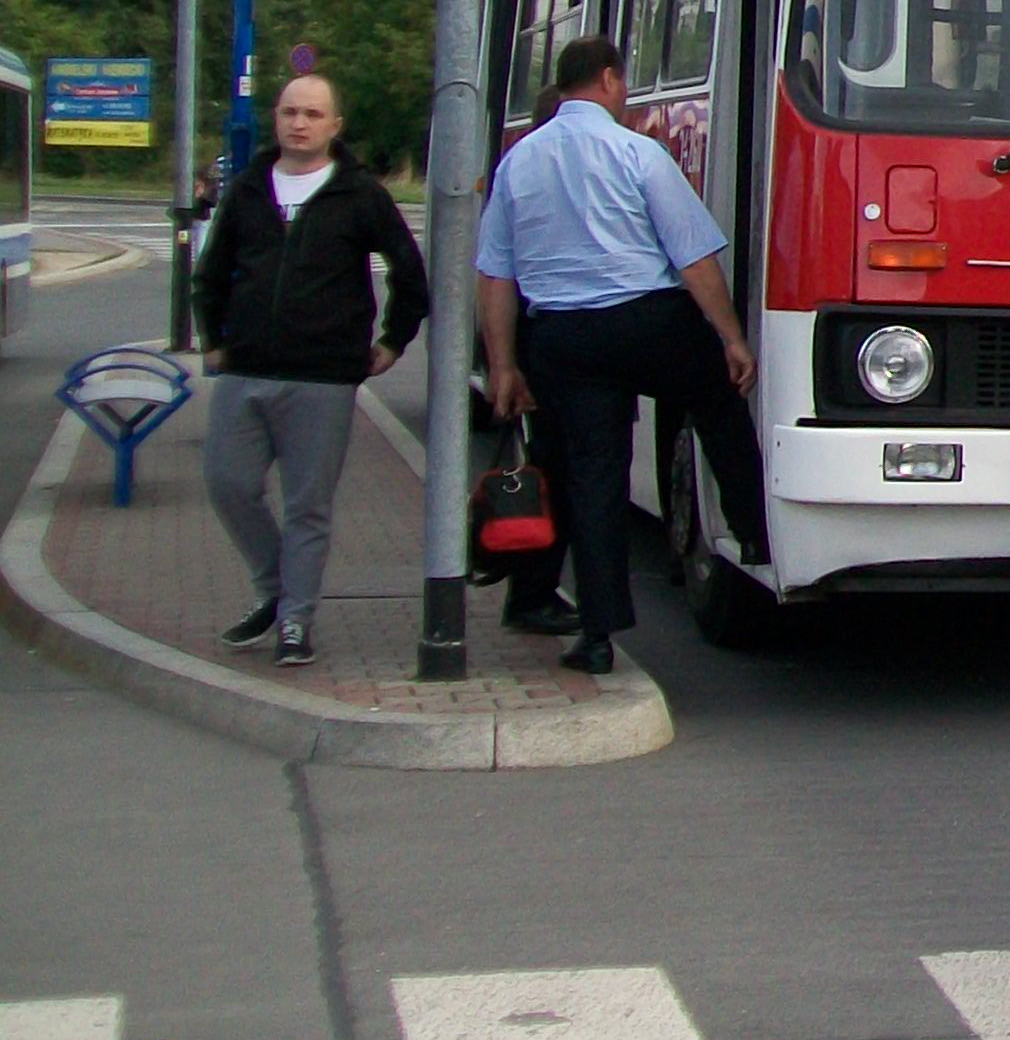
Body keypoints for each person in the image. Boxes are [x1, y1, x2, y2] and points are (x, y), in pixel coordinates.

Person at [478, 35, 770, 673]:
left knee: (593, 478)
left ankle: (598, 636)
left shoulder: (518, 164)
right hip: (649, 322)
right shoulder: (639, 153)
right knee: (718, 403)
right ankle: (753, 531)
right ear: (609, 79)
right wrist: (730, 337)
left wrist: (503, 364)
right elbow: (694, 260)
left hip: (563, 338)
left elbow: (495, 277)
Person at [195, 73, 428, 668]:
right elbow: (212, 271)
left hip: (322, 377)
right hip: (245, 369)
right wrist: (214, 338)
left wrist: (393, 341)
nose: (300, 123)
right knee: (229, 484)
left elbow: (408, 271)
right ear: (276, 118)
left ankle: (295, 619)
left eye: (313, 114)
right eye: (290, 112)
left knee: (308, 505)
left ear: (335, 126)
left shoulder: (360, 194)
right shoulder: (249, 187)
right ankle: (275, 588)